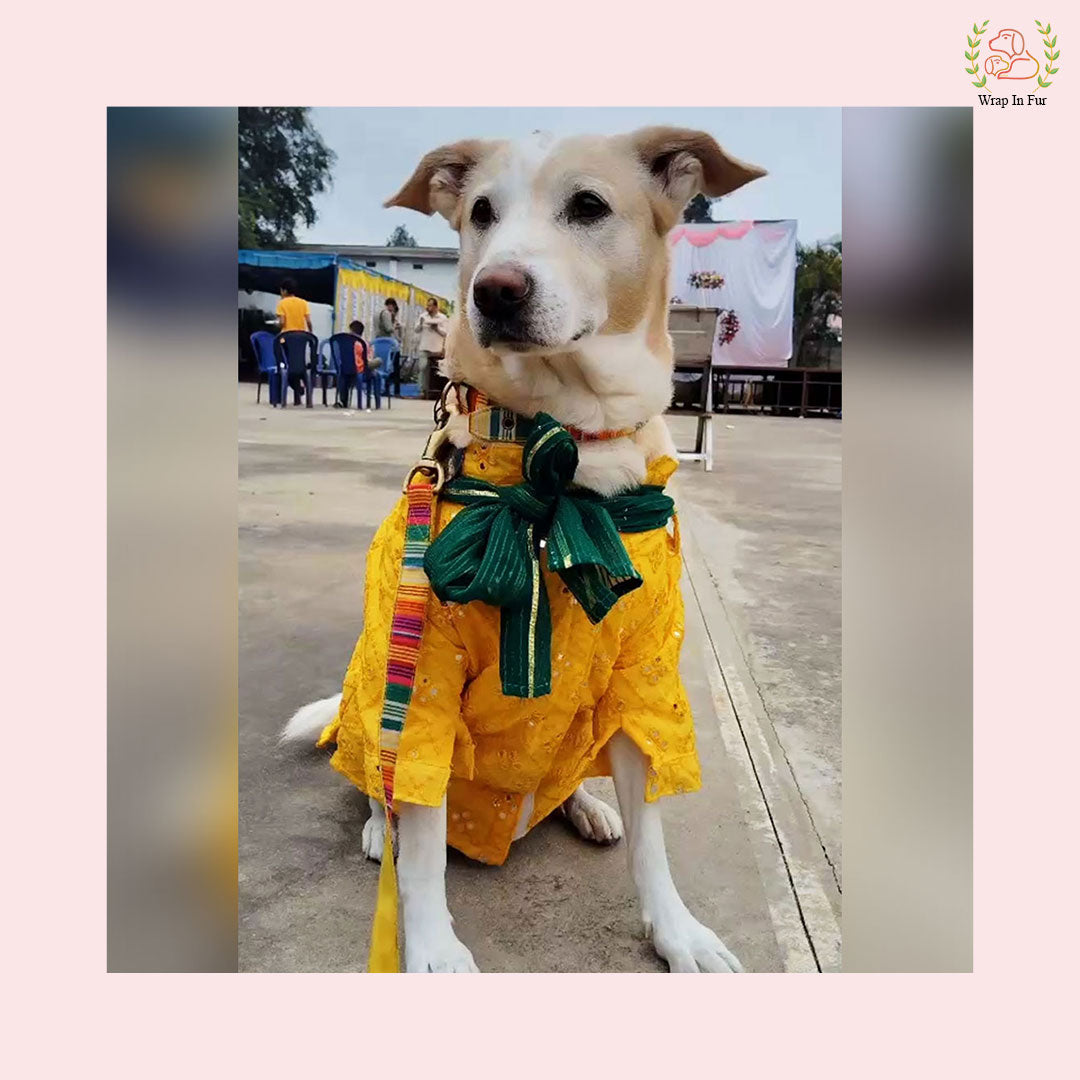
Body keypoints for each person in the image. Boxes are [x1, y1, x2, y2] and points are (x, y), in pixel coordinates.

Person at [414, 297, 448, 398]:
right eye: (427, 305)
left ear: (435, 307)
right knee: (423, 368)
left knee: (436, 371)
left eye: (430, 305)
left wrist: (436, 329)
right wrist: (420, 323)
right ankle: (422, 390)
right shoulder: (423, 316)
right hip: (424, 347)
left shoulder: (442, 318)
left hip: (436, 349)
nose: (428, 307)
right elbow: (416, 330)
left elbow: (446, 333)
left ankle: (436, 391)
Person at [335, 320, 367, 409]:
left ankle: (343, 401)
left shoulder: (344, 342)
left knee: (343, 376)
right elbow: (367, 358)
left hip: (345, 369)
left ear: (351, 331)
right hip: (360, 369)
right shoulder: (362, 344)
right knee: (377, 361)